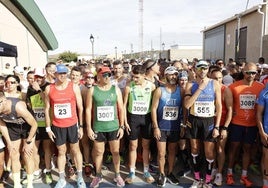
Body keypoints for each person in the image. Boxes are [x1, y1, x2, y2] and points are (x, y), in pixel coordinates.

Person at [44, 64, 86, 188]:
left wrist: (81, 126)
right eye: (60, 73)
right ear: (55, 74)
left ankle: (80, 177)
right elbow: (47, 109)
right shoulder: (49, 89)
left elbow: (80, 107)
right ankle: (61, 179)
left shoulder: (74, 87)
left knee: (75, 150)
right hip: (57, 126)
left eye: (64, 73)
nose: (62, 76)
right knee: (61, 151)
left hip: (72, 125)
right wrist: (48, 128)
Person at [184, 60, 222, 188]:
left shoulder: (214, 83)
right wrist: (200, 88)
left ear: (208, 70)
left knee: (209, 152)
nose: (202, 71)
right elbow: (187, 105)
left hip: (208, 120)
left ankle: (207, 180)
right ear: (195, 70)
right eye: (200, 68)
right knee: (194, 149)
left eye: (205, 68)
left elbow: (219, 106)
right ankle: (196, 178)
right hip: (194, 120)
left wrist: (217, 126)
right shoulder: (190, 85)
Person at [86, 66, 125, 188]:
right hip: (99, 127)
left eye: (108, 74)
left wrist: (122, 126)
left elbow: (121, 108)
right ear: (98, 76)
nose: (107, 77)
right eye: (104, 75)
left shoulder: (116, 89)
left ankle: (117, 175)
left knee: (115, 151)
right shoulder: (92, 90)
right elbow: (88, 110)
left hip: (113, 126)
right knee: (98, 152)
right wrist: (88, 128)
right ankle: (98, 175)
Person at [226, 62, 264, 187]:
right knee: (234, 148)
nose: (251, 75)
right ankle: (229, 174)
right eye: (248, 72)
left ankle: (244, 175)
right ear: (243, 72)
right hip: (237, 123)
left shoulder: (261, 87)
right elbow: (229, 107)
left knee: (247, 149)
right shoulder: (233, 87)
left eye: (253, 73)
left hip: (252, 124)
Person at [151, 66, 184, 187]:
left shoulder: (180, 90)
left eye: (175, 74)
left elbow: (183, 109)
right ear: (165, 76)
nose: (173, 77)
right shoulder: (160, 90)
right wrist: (155, 127)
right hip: (161, 127)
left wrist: (183, 125)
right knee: (161, 153)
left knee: (172, 151)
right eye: (170, 74)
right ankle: (161, 173)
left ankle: (169, 172)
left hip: (174, 127)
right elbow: (153, 109)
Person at [124, 65, 156, 184]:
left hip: (146, 118)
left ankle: (146, 171)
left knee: (146, 146)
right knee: (133, 146)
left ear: (143, 75)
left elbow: (154, 105)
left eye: (137, 77)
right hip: (133, 118)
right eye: (133, 77)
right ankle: (132, 171)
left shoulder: (151, 86)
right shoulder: (129, 86)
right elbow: (123, 105)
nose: (134, 79)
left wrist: (154, 121)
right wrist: (125, 121)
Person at [0, 91, 37, 188]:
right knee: (13, 154)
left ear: (3, 101)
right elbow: (2, 125)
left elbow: (34, 125)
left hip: (27, 128)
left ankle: (30, 184)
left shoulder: (18, 107)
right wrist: (8, 142)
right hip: (12, 127)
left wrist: (28, 142)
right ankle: (17, 184)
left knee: (27, 154)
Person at [25, 68, 53, 184]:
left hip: (46, 124)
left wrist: (38, 91)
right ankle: (37, 171)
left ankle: (48, 171)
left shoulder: (49, 87)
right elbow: (29, 104)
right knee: (34, 149)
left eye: (41, 77)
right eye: (37, 77)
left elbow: (49, 102)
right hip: (35, 124)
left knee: (47, 149)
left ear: (44, 77)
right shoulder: (30, 89)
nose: (39, 79)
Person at [210, 68, 233, 186]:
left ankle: (219, 173)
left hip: (222, 125)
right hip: (209, 124)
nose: (218, 81)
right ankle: (213, 169)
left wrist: (225, 128)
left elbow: (230, 110)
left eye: (220, 78)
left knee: (220, 149)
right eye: (215, 78)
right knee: (211, 149)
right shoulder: (207, 89)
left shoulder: (226, 90)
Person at [256, 84, 268, 188]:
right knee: (266, 157)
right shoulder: (264, 92)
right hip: (267, 131)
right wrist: (262, 132)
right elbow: (259, 114)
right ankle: (265, 183)